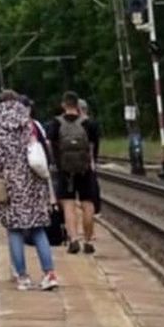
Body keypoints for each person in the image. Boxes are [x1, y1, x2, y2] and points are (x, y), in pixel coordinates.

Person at [0, 92, 58, 291]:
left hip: (8, 184)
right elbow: (44, 150)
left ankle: (22, 277)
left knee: (14, 230)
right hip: (33, 182)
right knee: (39, 228)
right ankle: (49, 273)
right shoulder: (28, 122)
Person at [47, 91, 100, 255]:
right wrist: (92, 163)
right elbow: (94, 147)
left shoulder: (56, 123)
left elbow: (50, 145)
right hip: (85, 169)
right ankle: (88, 240)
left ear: (63, 105)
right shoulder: (89, 124)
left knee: (69, 205)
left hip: (64, 170)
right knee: (87, 204)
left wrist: (55, 163)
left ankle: (74, 239)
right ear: (78, 105)